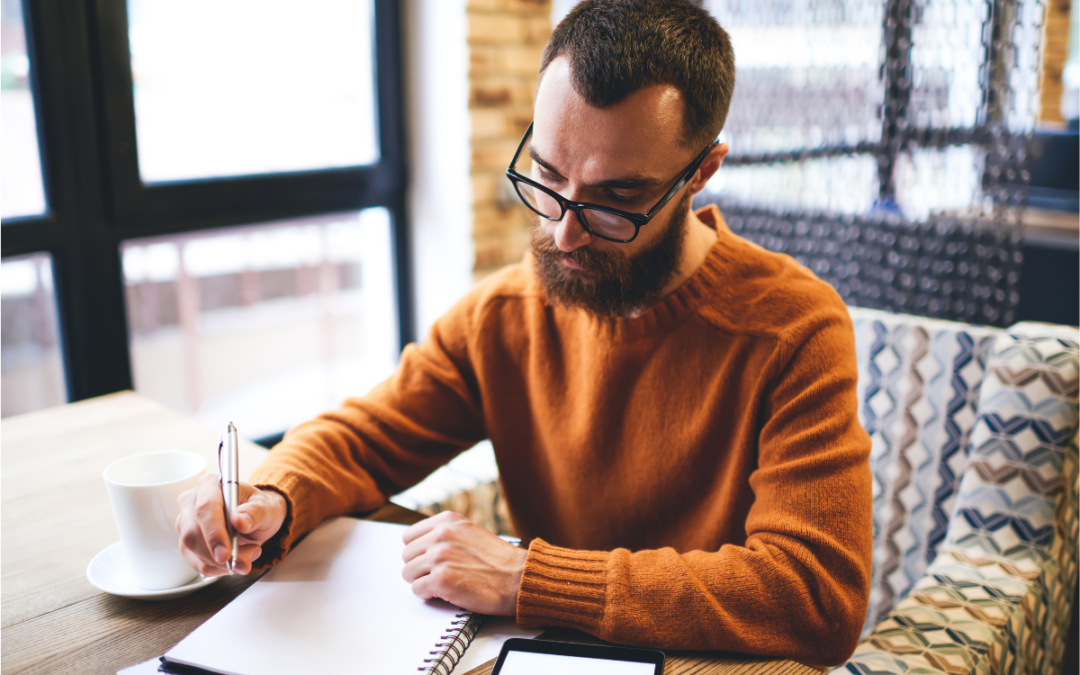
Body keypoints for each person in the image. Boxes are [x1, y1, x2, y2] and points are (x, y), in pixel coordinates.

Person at [175, 0, 873, 666]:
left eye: (619, 197)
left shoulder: (794, 329)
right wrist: (272, 494)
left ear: (701, 173)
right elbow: (364, 437)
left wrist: (526, 577)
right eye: (547, 173)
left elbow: (815, 594)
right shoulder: (504, 315)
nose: (564, 231)